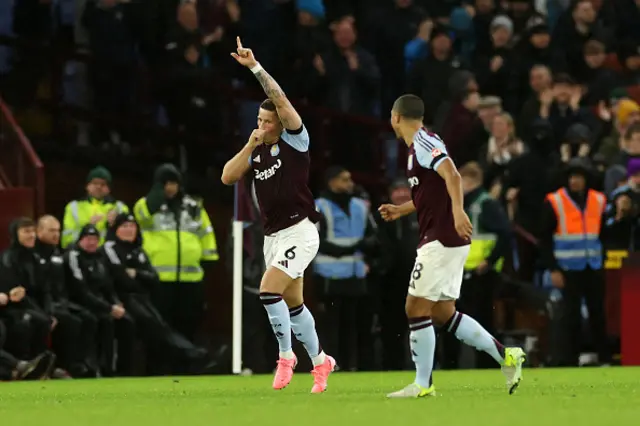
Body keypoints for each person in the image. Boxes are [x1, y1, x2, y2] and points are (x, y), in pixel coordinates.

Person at [378, 94, 526, 398]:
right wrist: (401, 209)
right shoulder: (416, 147)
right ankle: (506, 356)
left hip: (441, 238)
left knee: (414, 307)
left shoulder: (423, 141)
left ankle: (423, 384)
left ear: (395, 117)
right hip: (443, 237)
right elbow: (429, 196)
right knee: (443, 313)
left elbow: (453, 175)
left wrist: (459, 211)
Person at [222, 37, 335, 393]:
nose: (263, 125)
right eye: (258, 119)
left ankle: (286, 356)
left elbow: (282, 101)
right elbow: (227, 177)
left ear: (281, 124)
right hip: (273, 236)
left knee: (268, 291)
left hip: (300, 231)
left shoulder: (295, 142)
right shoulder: (257, 151)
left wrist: (255, 67)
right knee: (294, 304)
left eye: (268, 121)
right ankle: (321, 361)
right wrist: (251, 142)